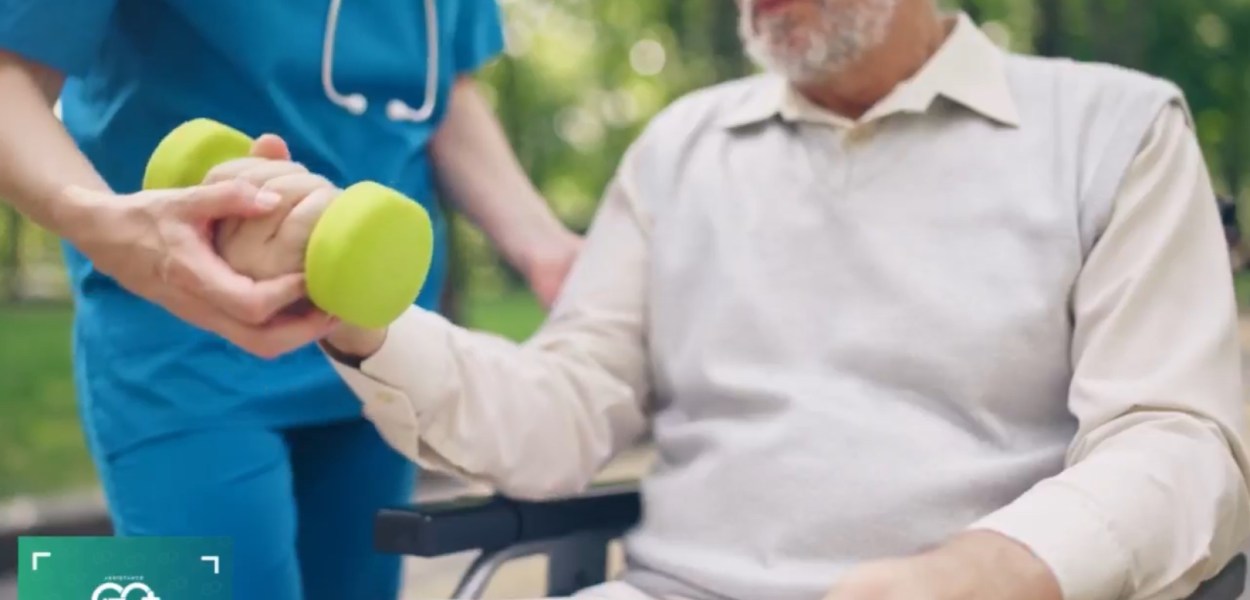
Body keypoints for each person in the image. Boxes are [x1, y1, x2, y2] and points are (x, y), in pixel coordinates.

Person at [177, 0, 1250, 599]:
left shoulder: (1114, 130)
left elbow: (1177, 441)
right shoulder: (679, 149)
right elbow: (560, 413)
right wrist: (359, 314)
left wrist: (989, 571)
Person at [0, 1, 580, 598]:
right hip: (183, 339)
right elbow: (8, 78)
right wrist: (108, 226)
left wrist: (546, 249)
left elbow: (440, 94)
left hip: (375, 345)